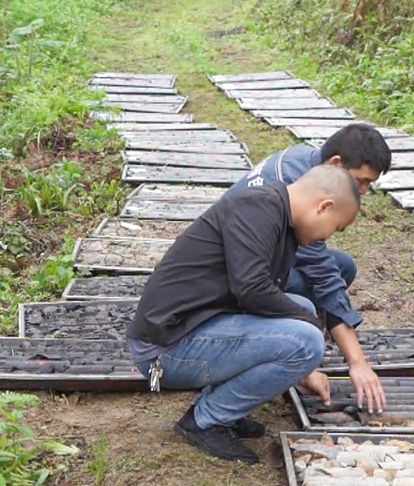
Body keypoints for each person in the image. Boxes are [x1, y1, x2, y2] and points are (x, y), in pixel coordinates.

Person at [126, 164, 362, 463]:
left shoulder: (279, 216)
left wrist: (304, 338)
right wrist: (310, 333)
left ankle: (224, 406)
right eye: (335, 227)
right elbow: (252, 290)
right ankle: (206, 420)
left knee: (301, 311)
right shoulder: (258, 209)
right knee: (307, 339)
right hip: (163, 351)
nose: (327, 237)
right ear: (324, 206)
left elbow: (262, 297)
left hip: (193, 329)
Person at [225, 122, 392, 413]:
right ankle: (291, 350)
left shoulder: (306, 159)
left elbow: (326, 267)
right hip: (235, 279)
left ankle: (306, 344)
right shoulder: (297, 187)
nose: (362, 191)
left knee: (342, 266)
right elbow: (322, 275)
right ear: (336, 163)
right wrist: (357, 362)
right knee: (308, 292)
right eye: (360, 180)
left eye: (369, 185)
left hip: (251, 262)